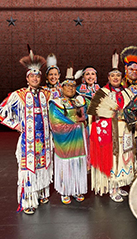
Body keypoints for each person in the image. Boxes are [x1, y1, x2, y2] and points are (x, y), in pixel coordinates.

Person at [0, 46, 53, 215]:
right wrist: (16, 125)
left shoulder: (47, 94)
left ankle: (42, 192)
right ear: (27, 78)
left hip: (45, 141)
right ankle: (28, 200)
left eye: (37, 75)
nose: (35, 78)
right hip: (27, 142)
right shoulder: (18, 95)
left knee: (43, 166)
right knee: (28, 169)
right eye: (32, 76)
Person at [88, 51, 134, 202]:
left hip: (125, 130)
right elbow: (94, 116)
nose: (115, 78)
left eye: (118, 76)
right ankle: (112, 187)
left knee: (124, 156)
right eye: (113, 76)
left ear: (122, 78)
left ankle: (120, 185)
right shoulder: (103, 92)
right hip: (109, 131)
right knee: (113, 157)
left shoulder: (127, 93)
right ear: (108, 78)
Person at [48, 66, 90, 204]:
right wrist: (76, 124)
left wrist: (84, 121)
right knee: (66, 164)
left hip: (79, 139)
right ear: (62, 88)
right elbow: (55, 123)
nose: (71, 89)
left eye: (73, 86)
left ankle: (78, 188)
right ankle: (65, 190)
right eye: (68, 86)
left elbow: (87, 117)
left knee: (78, 163)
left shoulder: (80, 101)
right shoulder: (56, 103)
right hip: (64, 141)